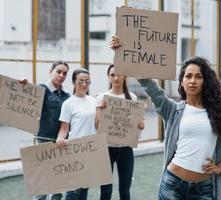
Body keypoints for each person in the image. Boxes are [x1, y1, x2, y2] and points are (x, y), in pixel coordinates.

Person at [110, 37, 221, 200]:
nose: (193, 81)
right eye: (188, 76)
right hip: (172, 184)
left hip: (204, 189)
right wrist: (121, 52)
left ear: (206, 81)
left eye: (198, 76)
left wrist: (220, 167)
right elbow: (149, 85)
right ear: (181, 82)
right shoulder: (172, 109)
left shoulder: (219, 113)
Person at [96, 64, 144, 200]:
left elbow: (136, 124)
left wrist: (140, 126)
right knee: (105, 192)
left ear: (125, 76)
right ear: (108, 77)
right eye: (112, 75)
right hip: (106, 149)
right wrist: (101, 110)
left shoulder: (132, 97)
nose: (116, 78)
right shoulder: (102, 97)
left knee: (125, 191)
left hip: (126, 149)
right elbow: (96, 126)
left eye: (119, 74)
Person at [26, 60, 69, 200]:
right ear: (50, 72)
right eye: (59, 71)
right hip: (43, 141)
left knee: (58, 183)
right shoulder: (41, 89)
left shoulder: (67, 96)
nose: (61, 75)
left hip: (62, 143)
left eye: (65, 73)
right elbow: (25, 97)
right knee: (42, 182)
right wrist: (22, 85)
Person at [56, 68, 98, 200]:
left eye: (87, 82)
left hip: (90, 150)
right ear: (74, 82)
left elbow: (97, 125)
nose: (84, 85)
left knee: (84, 188)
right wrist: (59, 138)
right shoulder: (68, 104)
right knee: (72, 190)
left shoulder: (93, 101)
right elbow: (64, 128)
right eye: (81, 82)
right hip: (74, 151)